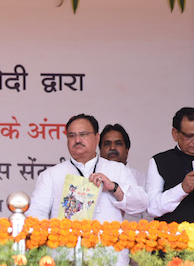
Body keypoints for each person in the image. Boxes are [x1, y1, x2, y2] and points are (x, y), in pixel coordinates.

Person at [27, 114, 148, 266]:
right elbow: (35, 214)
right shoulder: (51, 175)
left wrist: (114, 187)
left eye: (83, 134)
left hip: (110, 257)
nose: (77, 140)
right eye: (72, 135)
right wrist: (55, 232)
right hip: (65, 257)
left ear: (97, 138)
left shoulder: (118, 170)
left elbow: (141, 205)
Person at [146, 107, 194, 223]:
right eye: (189, 136)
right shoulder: (159, 161)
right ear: (175, 134)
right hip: (172, 238)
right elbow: (152, 208)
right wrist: (182, 189)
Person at [99, 123, 149, 221]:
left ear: (127, 150)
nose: (112, 148)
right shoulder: (94, 178)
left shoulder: (142, 179)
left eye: (118, 143)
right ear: (100, 151)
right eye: (107, 143)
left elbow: (149, 215)